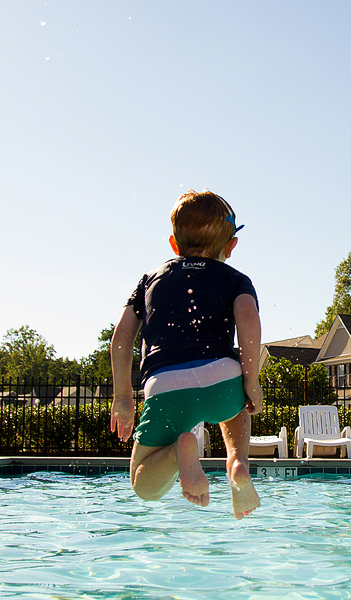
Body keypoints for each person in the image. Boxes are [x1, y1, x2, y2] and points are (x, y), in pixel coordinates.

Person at [109, 189, 263, 519]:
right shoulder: (235, 279)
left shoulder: (150, 280)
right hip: (222, 377)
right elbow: (248, 319)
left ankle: (177, 454)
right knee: (236, 406)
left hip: (165, 385)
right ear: (231, 246)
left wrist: (123, 395)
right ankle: (238, 463)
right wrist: (251, 380)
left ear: (173, 244)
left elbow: (121, 337)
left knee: (143, 484)